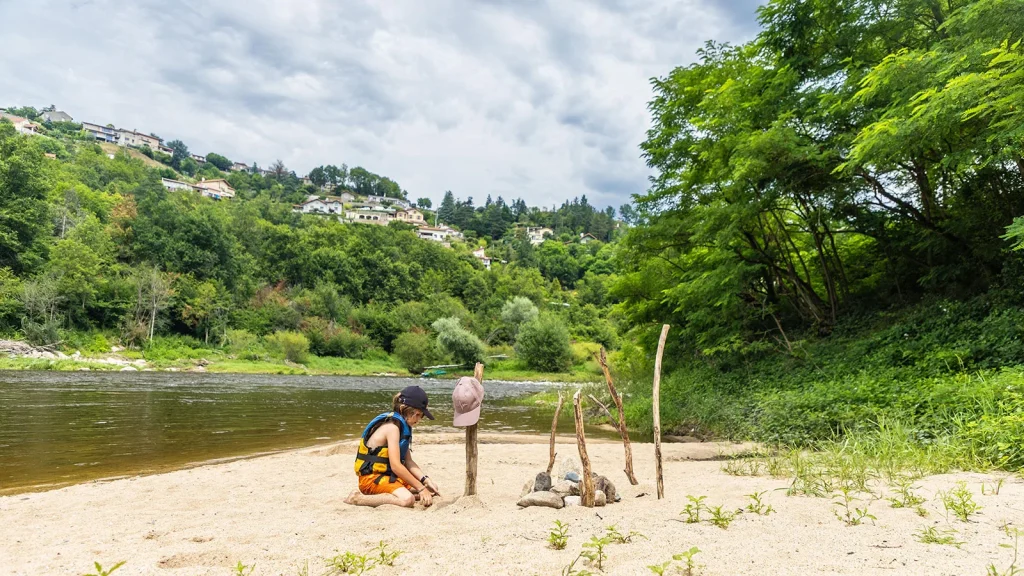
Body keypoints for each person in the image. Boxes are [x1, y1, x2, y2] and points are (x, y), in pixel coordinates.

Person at [345, 385, 441, 508]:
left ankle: (405, 493)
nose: (419, 420)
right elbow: (396, 466)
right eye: (417, 414)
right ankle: (357, 498)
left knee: (432, 489)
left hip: (389, 476)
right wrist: (421, 489)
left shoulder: (403, 427)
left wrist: (425, 480)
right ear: (403, 409)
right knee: (408, 500)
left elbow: (408, 462)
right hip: (371, 479)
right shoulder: (392, 428)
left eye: (421, 416)